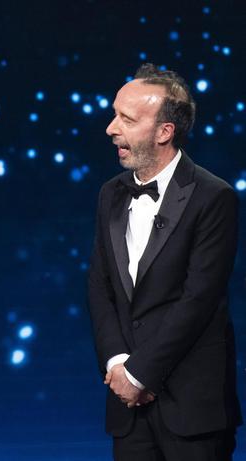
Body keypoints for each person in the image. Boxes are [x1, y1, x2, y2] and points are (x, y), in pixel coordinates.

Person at [88, 63, 241, 460]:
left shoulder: (213, 197)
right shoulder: (110, 194)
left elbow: (199, 300)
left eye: (126, 118)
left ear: (163, 132)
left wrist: (141, 373)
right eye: (113, 113)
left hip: (190, 406)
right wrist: (119, 364)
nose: (110, 128)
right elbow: (100, 286)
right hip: (128, 409)